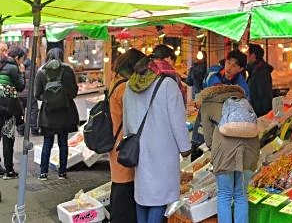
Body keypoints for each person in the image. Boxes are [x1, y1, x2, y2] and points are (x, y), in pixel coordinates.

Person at [123, 50, 190, 223]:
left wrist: (128, 138)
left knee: (143, 198)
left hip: (140, 150)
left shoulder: (129, 86)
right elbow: (178, 120)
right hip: (163, 152)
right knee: (159, 199)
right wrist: (185, 148)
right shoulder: (168, 85)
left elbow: (127, 119)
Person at [199, 83, 260, 223]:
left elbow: (207, 137)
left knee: (225, 195)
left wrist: (212, 147)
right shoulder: (243, 100)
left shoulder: (208, 103)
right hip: (250, 150)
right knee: (241, 194)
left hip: (224, 151)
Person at [108, 49, 145, 223]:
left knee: (119, 188)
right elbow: (134, 116)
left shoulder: (116, 80)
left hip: (117, 144)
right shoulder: (125, 87)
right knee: (124, 191)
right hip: (125, 145)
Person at [35, 48, 79, 180]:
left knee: (47, 142)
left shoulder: (41, 72)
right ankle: (62, 172)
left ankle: (43, 173)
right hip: (65, 113)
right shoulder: (68, 71)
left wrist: (49, 99)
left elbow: (37, 94)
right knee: (63, 143)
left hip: (48, 114)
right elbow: (74, 93)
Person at [0, 45, 26, 179]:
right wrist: (22, 72)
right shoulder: (14, 68)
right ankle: (9, 170)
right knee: (8, 139)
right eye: (22, 59)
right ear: (17, 58)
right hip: (7, 109)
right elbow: (20, 87)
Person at [245, 44, 273, 118]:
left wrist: (259, 116)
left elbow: (262, 96)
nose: (246, 57)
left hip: (260, 115)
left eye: (247, 54)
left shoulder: (260, 72)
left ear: (253, 55)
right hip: (257, 113)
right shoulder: (255, 70)